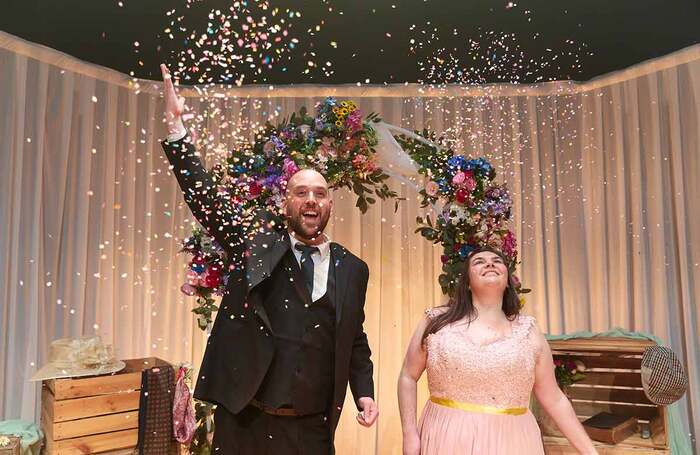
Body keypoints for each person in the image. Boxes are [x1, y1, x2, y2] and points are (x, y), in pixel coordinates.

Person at [159, 64, 378, 454]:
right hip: (247, 420)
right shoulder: (258, 245)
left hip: (311, 427)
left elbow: (354, 336)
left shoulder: (353, 269)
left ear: (329, 204)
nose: (311, 199)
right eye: (300, 192)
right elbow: (208, 204)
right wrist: (178, 133)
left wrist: (364, 390)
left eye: (320, 193)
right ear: (285, 203)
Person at [397, 247, 597, 454]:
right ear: (466, 281)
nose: (489, 263)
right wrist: (409, 433)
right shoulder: (437, 322)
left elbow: (553, 398)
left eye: (496, 261)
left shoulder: (528, 330)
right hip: (447, 435)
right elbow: (407, 376)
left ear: (508, 280)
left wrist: (590, 452)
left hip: (512, 441)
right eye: (479, 262)